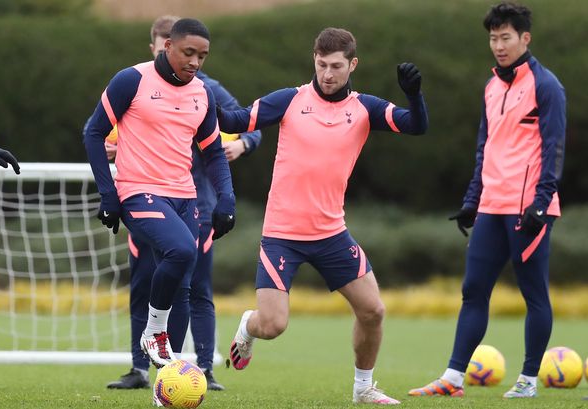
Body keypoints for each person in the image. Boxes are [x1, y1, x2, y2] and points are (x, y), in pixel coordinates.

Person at [219, 27, 428, 405]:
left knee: (373, 311)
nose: (327, 74)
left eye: (335, 66)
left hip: (332, 234)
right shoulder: (288, 100)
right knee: (273, 326)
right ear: (313, 60)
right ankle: (247, 328)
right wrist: (197, 98)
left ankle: (363, 388)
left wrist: (413, 94)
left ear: (353, 65)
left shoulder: (365, 108)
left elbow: (417, 126)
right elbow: (233, 121)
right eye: (321, 65)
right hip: (282, 234)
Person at [408, 2, 565, 399]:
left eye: (506, 37)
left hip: (528, 209)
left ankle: (529, 380)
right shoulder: (492, 85)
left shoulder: (546, 86)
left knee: (534, 294)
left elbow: (554, 148)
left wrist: (541, 203)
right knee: (473, 290)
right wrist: (471, 200)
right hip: (492, 207)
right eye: (493, 38)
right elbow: (485, 146)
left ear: (525, 38)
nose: (498, 45)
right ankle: (453, 379)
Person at [103, 16, 261, 392]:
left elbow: (244, 123)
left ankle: (197, 369)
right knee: (147, 281)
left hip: (194, 202)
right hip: (143, 196)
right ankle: (141, 365)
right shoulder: (134, 82)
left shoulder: (206, 90)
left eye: (200, 55)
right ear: (161, 46)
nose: (192, 61)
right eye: (180, 50)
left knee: (193, 286)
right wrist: (113, 169)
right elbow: (100, 130)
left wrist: (242, 145)